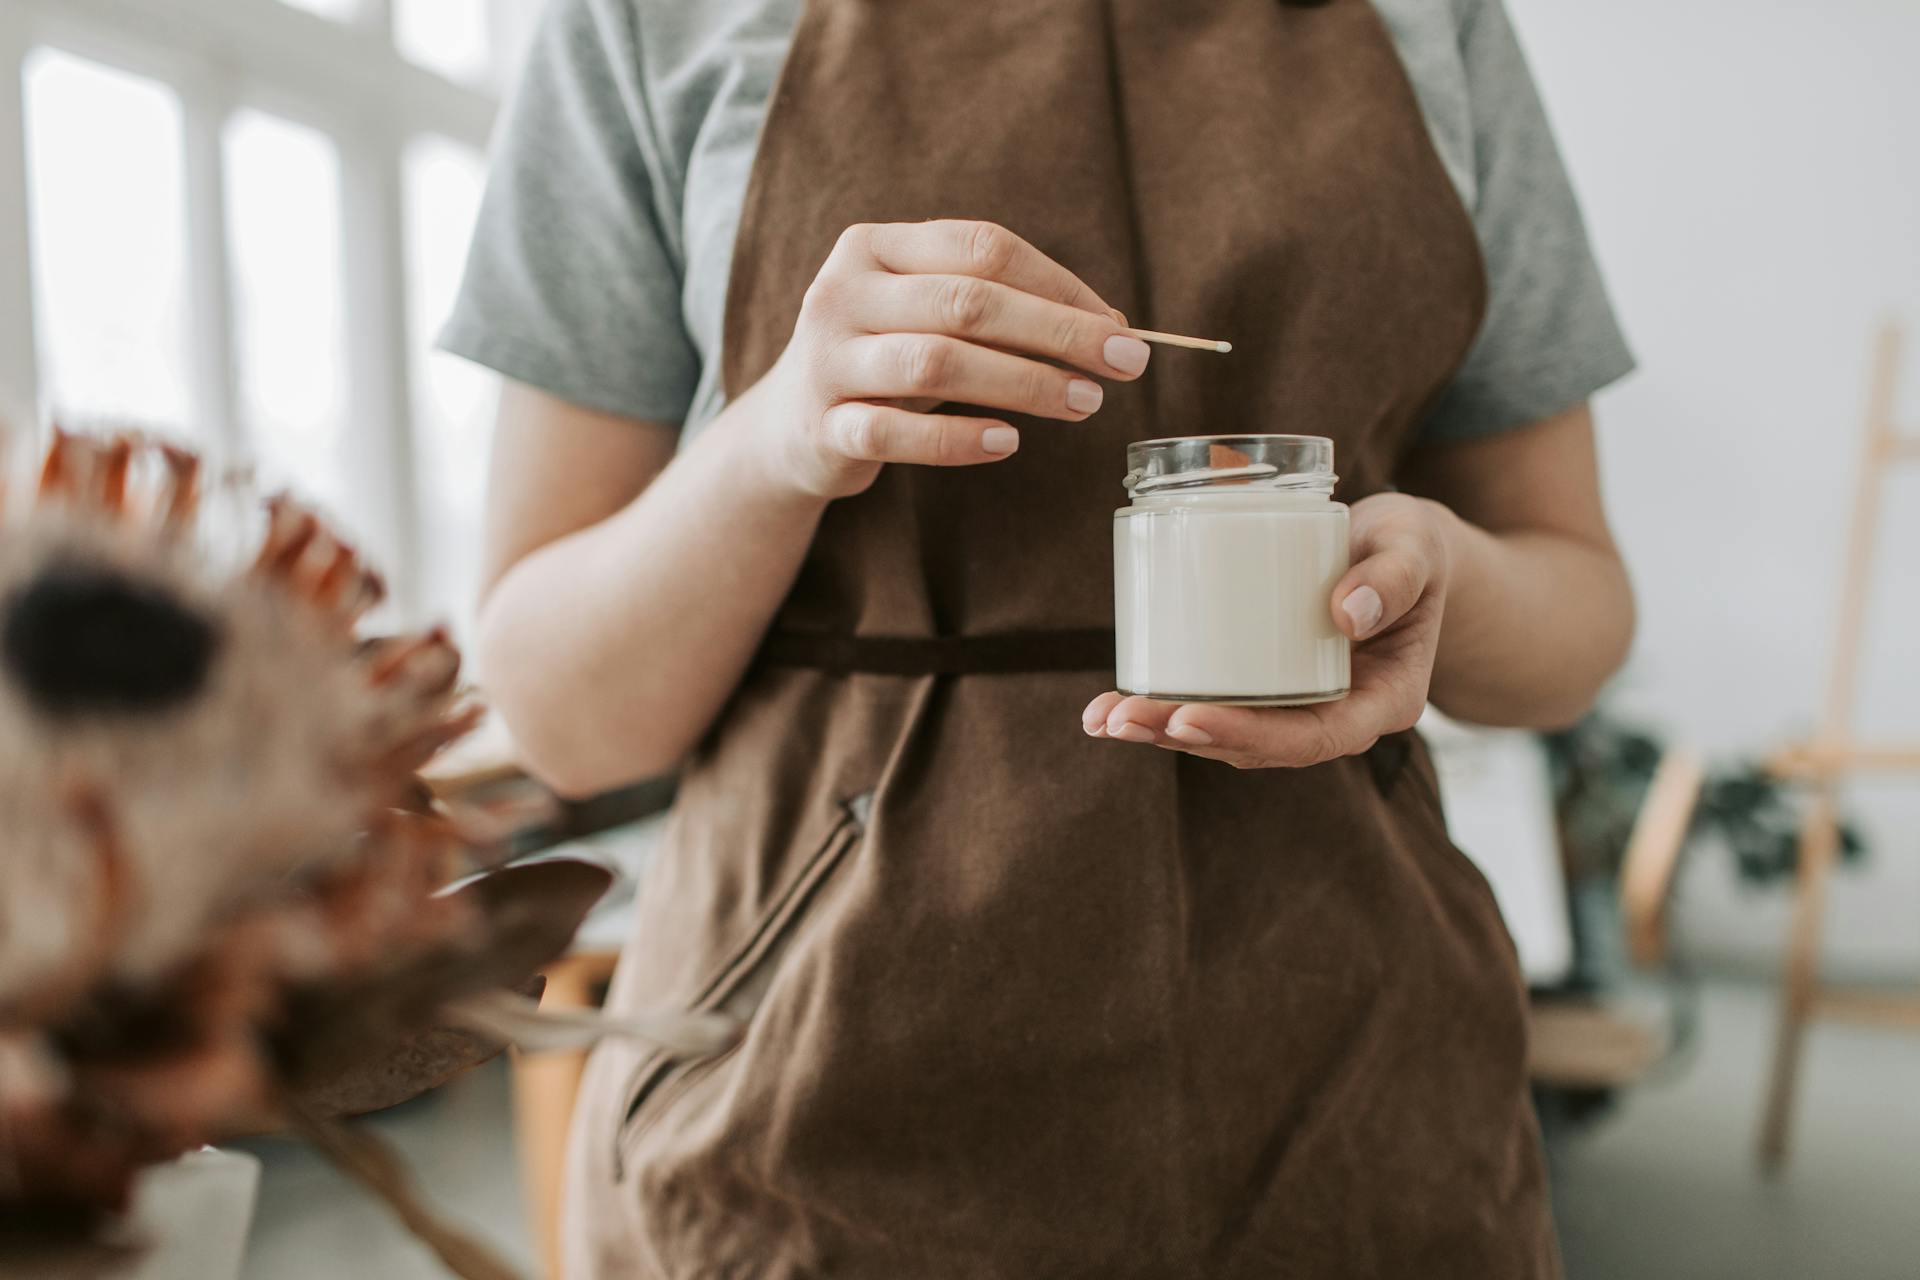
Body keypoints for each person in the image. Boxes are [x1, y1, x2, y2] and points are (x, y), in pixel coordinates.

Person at [442, 0, 1637, 1274]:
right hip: (802, 1096)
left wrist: (1443, 576)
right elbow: (564, 712)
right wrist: (775, 438)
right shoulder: (646, 21)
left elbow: (1580, 613)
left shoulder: (1433, 19)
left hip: (1357, 1070)